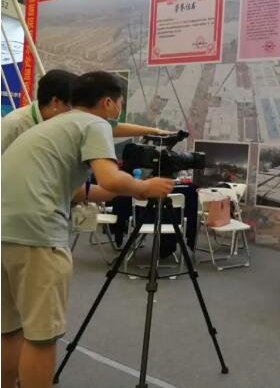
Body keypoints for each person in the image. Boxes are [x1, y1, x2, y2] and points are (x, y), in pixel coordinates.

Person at [1, 71, 175, 388]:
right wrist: (145, 187)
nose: (118, 112)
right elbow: (109, 178)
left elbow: (80, 189)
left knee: (11, 329)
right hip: (38, 236)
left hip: (6, 230)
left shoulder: (52, 125)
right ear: (108, 103)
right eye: (119, 104)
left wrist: (123, 189)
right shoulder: (94, 125)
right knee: (41, 337)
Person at [2, 68, 171, 155]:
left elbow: (111, 127)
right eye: (73, 105)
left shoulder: (60, 121)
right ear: (56, 102)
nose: (78, 111)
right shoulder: (14, 125)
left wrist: (154, 131)